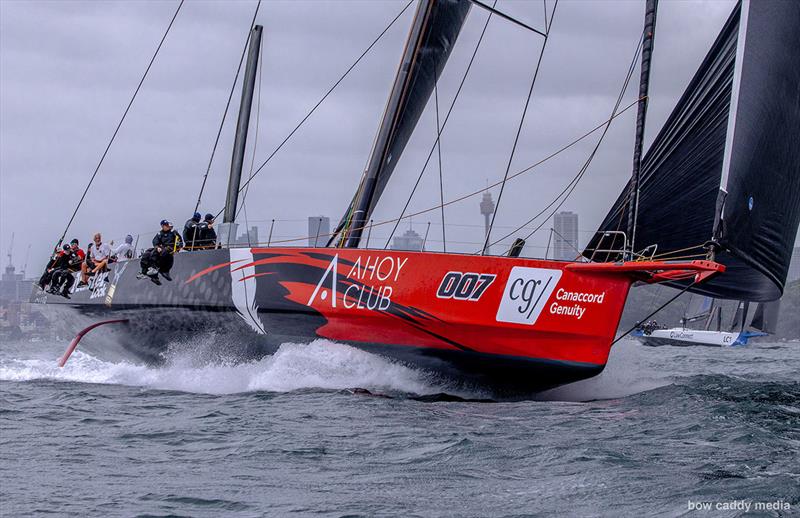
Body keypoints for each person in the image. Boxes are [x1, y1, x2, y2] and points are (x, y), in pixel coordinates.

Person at [138, 219, 182, 284]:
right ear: (162, 226)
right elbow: (155, 241)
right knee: (147, 253)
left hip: (170, 247)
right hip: (162, 247)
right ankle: (144, 272)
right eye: (165, 225)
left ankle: (155, 268)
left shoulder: (173, 232)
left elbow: (180, 241)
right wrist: (157, 247)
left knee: (161, 252)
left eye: (167, 225)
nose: (167, 226)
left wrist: (178, 247)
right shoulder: (160, 233)